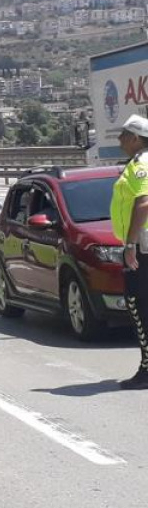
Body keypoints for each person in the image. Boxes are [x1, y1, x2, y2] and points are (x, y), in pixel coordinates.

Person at [111, 114, 148, 390]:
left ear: (136, 138)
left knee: (138, 305)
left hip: (144, 248)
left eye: (124, 134)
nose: (120, 139)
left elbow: (144, 204)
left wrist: (130, 244)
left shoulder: (140, 165)